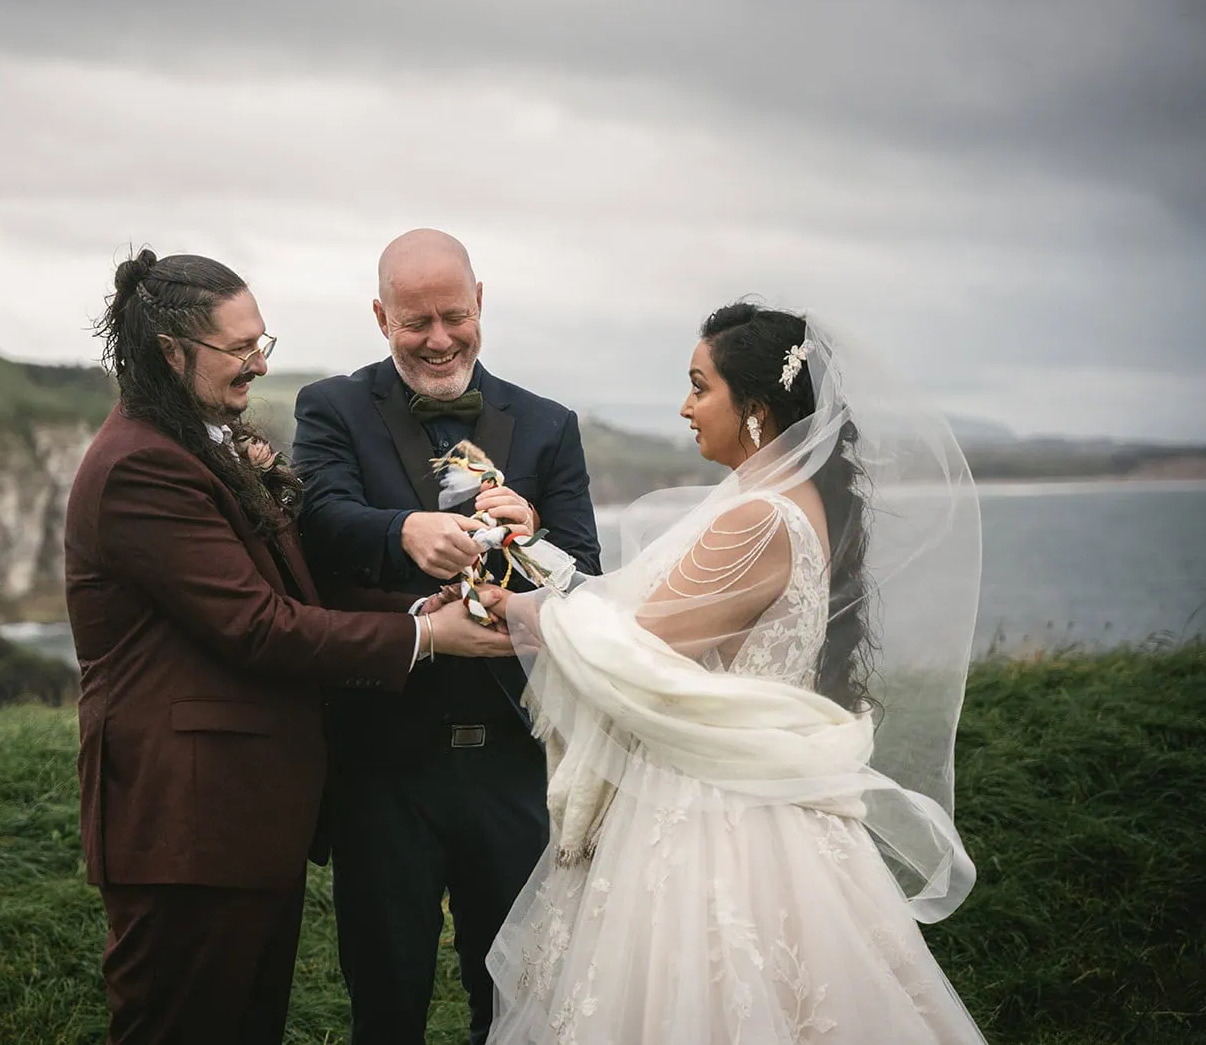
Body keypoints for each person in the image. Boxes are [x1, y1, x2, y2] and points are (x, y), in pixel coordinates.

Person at [480, 302, 989, 1043]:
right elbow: (643, 610)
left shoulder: (755, 520)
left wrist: (508, 607)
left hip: (713, 812)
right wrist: (539, 557)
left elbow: (634, 647)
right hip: (762, 791)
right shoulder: (789, 501)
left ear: (753, 409)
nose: (685, 407)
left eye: (699, 386)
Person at [64, 247, 513, 1045]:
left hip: (238, 819)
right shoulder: (141, 465)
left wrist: (422, 602)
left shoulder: (200, 441)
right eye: (240, 350)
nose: (258, 367)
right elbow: (258, 626)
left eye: (261, 343)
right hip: (185, 826)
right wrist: (423, 636)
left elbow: (296, 591)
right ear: (171, 352)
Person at [293, 229, 602, 1044]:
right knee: (385, 1002)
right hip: (381, 761)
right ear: (380, 316)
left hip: (511, 758)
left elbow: (588, 575)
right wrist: (402, 530)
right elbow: (319, 522)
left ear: (480, 305)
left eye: (454, 316)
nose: (438, 339)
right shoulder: (330, 407)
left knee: (514, 1004)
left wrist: (532, 527)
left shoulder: (548, 424)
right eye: (415, 321)